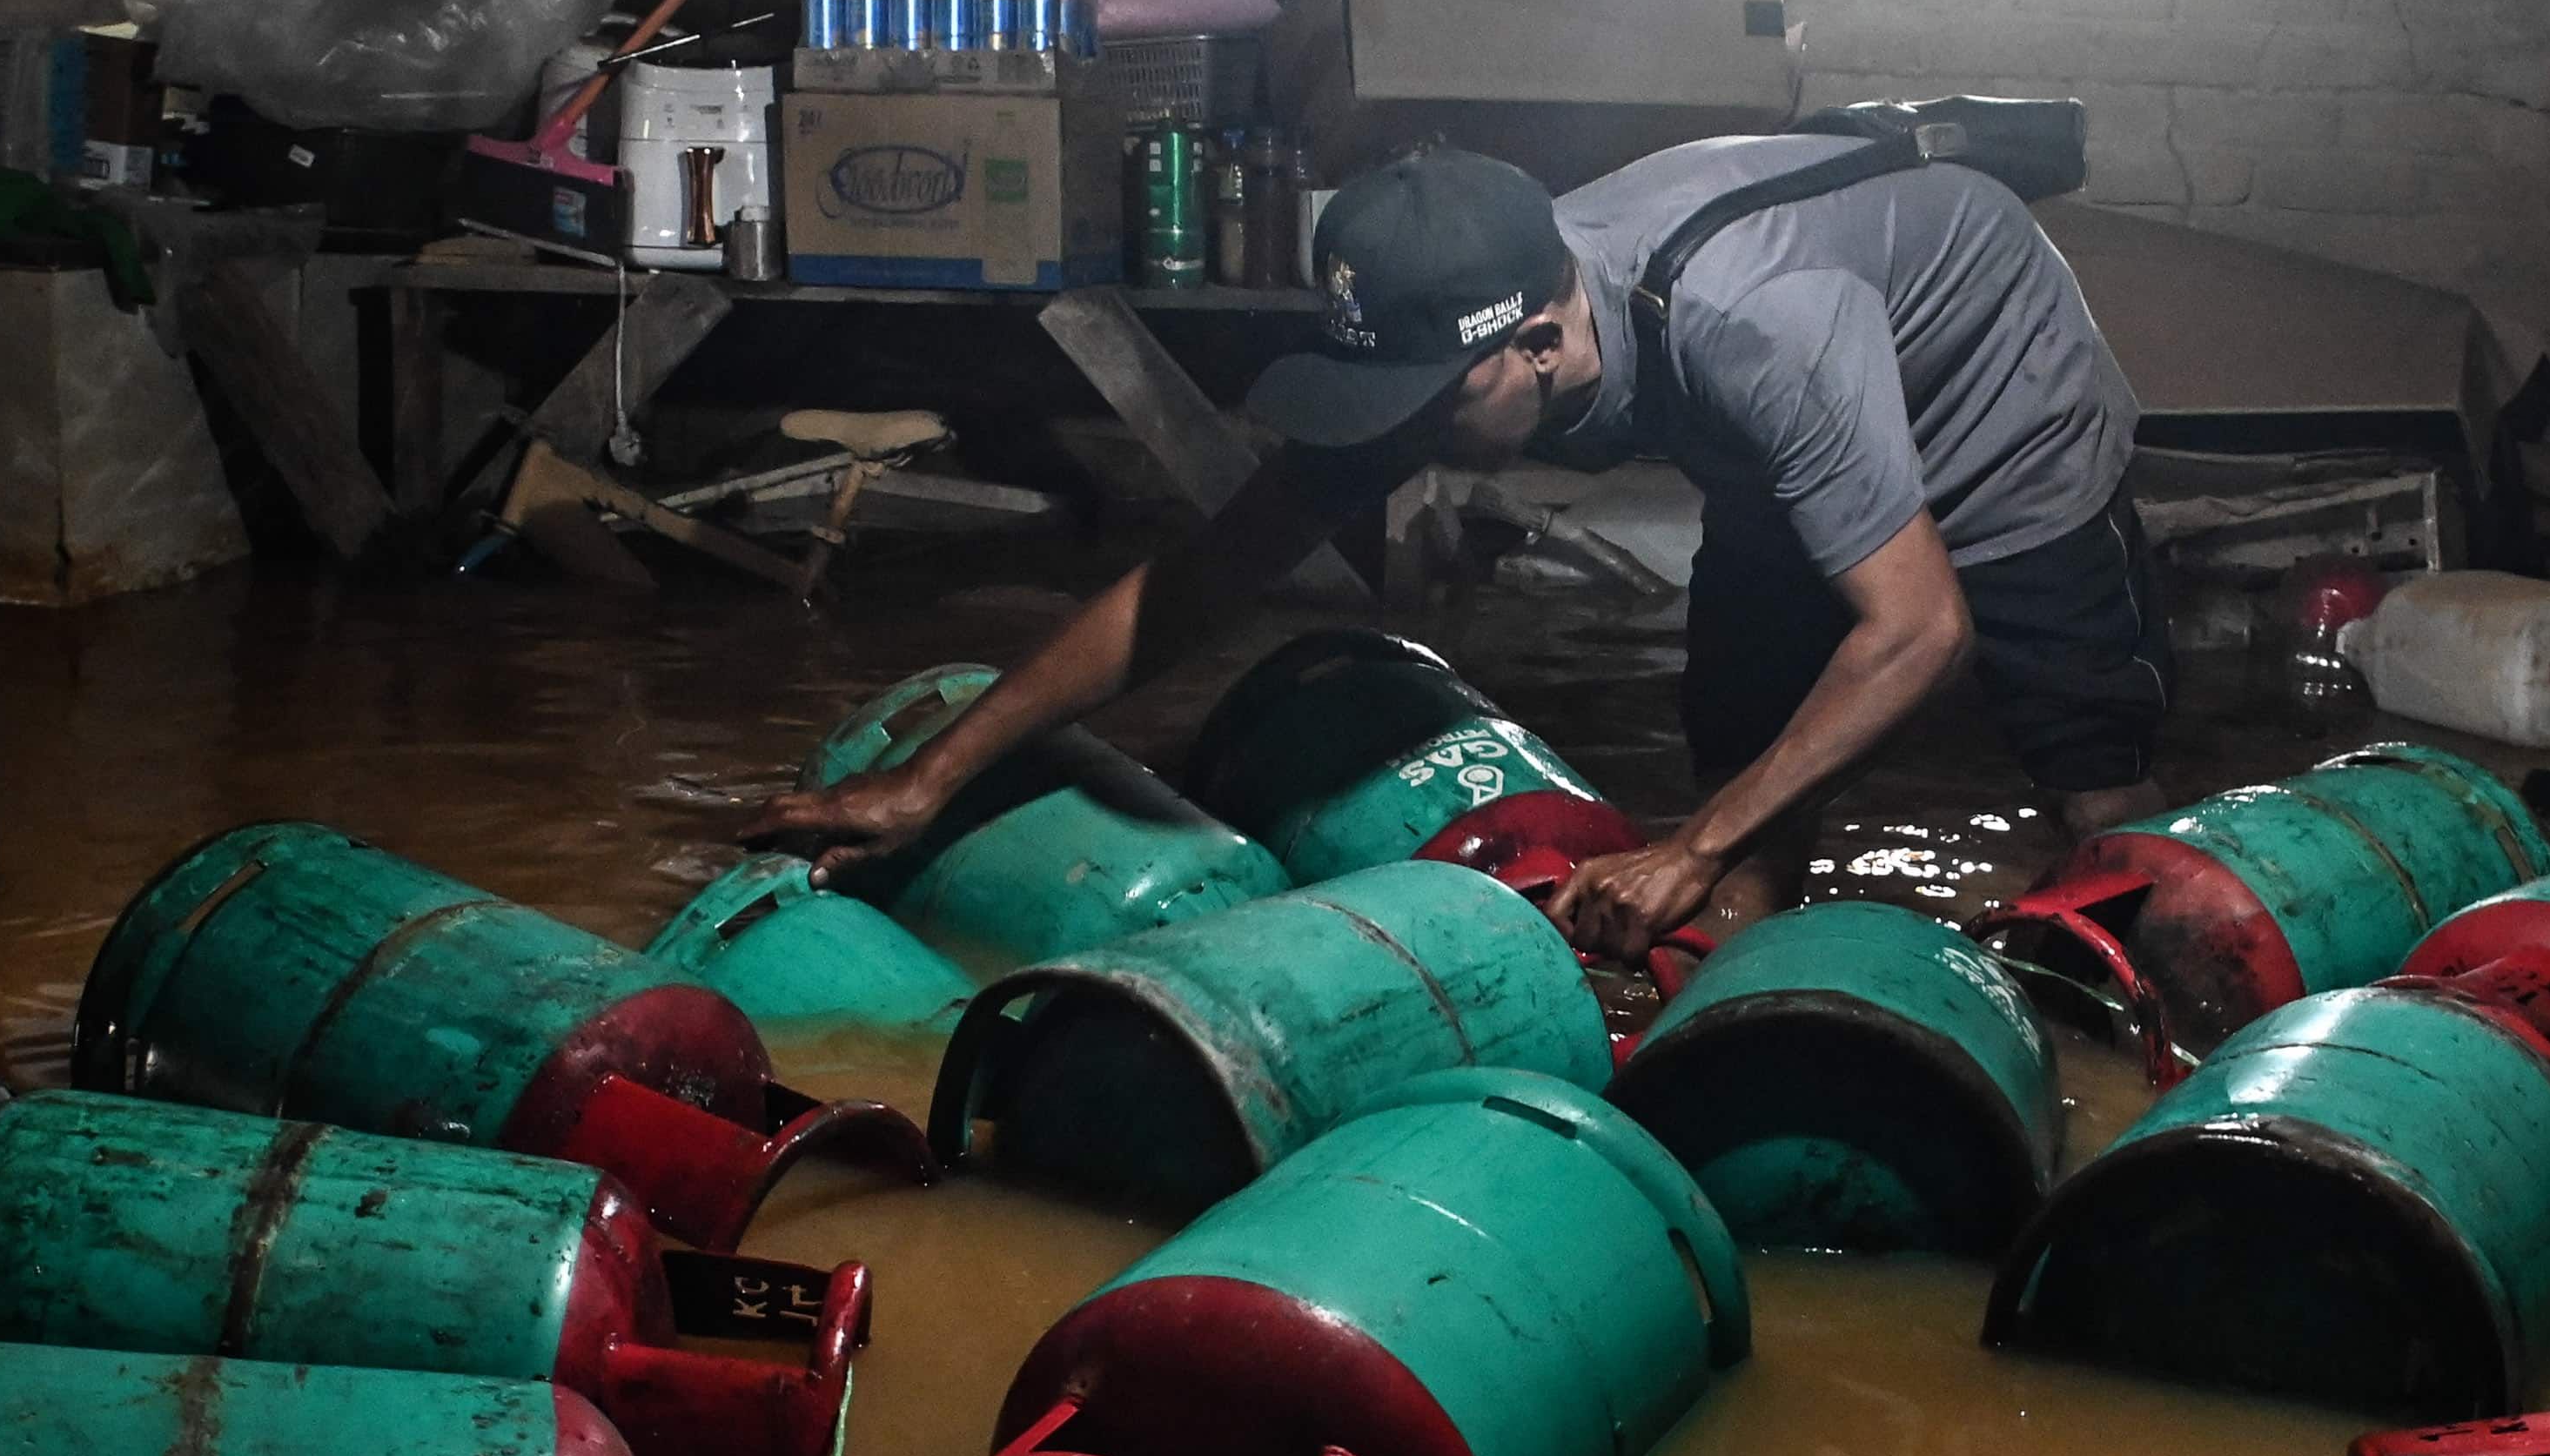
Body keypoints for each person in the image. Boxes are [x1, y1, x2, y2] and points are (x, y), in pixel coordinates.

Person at [751, 137, 2164, 955]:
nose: (1404, 435)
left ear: (1540, 340)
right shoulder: (1472, 321)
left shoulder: (1755, 328)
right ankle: (1749, 972)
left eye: (1431, 407)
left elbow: (1918, 631)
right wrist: (934, 775)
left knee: (2086, 778)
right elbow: (1204, 575)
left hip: (1995, 389)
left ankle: (2111, 993)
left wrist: (1682, 848)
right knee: (1744, 756)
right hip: (1778, 410)